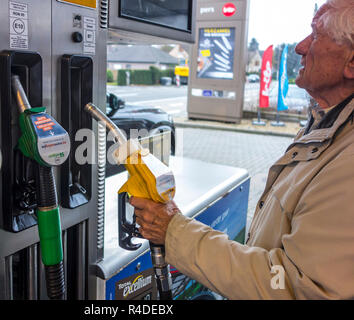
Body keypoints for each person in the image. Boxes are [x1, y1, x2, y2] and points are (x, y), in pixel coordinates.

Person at [130, 0, 354, 299]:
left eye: (315, 35)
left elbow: (298, 288)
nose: (301, 47)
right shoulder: (329, 124)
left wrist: (173, 230)